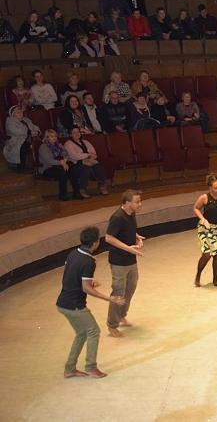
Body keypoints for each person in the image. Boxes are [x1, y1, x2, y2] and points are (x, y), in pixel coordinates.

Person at [56, 226, 126, 379]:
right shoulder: (89, 261)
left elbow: (71, 275)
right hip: (74, 305)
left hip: (62, 302)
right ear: (95, 243)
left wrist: (90, 283)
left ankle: (70, 369)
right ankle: (91, 368)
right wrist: (110, 298)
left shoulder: (73, 253)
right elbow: (86, 288)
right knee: (93, 331)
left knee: (82, 333)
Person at [105, 189, 145, 338]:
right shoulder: (117, 217)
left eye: (140, 201)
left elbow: (129, 230)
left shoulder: (131, 213)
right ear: (127, 203)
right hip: (119, 262)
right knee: (118, 292)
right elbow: (109, 238)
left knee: (130, 289)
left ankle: (122, 315)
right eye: (137, 202)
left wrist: (137, 237)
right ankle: (112, 324)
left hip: (130, 259)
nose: (140, 204)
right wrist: (129, 248)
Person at [64, 126, 109, 196]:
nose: (77, 134)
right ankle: (82, 189)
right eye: (74, 132)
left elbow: (94, 153)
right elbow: (74, 156)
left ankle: (102, 186)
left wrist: (90, 159)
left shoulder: (86, 142)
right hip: (75, 164)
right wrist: (88, 155)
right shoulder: (68, 144)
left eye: (78, 132)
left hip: (89, 161)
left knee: (98, 166)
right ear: (70, 134)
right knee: (85, 168)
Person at [38, 129, 81, 201]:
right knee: (62, 173)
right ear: (47, 137)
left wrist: (65, 160)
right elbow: (49, 161)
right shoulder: (43, 147)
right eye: (51, 136)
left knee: (74, 169)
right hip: (48, 168)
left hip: (60, 165)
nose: (54, 138)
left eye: (55, 136)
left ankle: (76, 193)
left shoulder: (59, 145)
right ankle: (63, 195)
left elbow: (66, 153)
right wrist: (61, 163)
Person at [3, 105, 40, 171]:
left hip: (28, 138)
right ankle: (21, 167)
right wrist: (30, 132)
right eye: (18, 112)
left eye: (21, 112)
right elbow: (16, 131)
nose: (20, 114)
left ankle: (37, 164)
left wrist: (37, 131)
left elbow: (34, 126)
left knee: (38, 143)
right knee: (24, 146)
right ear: (13, 114)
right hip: (16, 140)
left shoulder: (26, 119)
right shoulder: (10, 121)